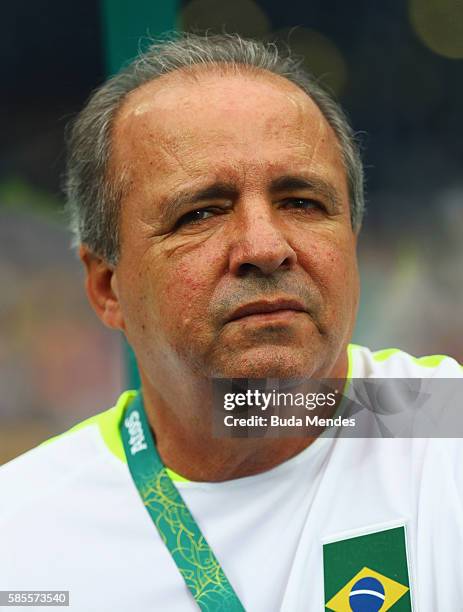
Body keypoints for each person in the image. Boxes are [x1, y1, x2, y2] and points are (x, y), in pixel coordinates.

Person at [0, 33, 461, 612]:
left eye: (302, 202)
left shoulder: (446, 437)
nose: (265, 247)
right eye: (202, 212)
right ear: (106, 286)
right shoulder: (21, 540)